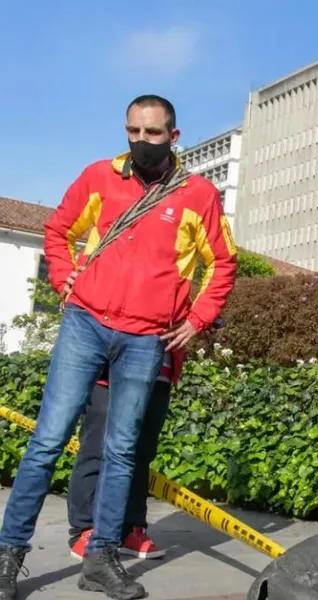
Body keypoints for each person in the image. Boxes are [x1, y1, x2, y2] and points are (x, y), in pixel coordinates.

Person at [0, 94, 237, 600]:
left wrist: (198, 319)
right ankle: (8, 554)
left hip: (146, 337)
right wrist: (66, 282)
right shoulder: (98, 177)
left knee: (122, 450)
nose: (140, 141)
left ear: (173, 137)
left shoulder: (198, 195)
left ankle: (101, 558)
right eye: (133, 131)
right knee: (46, 442)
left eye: (152, 134)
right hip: (86, 324)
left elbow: (222, 263)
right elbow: (59, 230)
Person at [67, 351, 181, 561]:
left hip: (159, 370)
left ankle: (131, 528)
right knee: (96, 447)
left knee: (142, 454)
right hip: (112, 365)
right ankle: (85, 528)